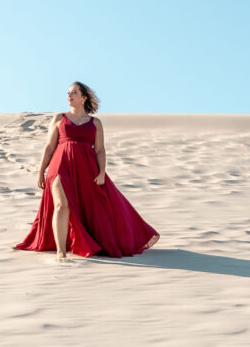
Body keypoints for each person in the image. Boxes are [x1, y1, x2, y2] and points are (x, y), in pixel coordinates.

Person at [15, 82, 159, 259]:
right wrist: (40, 172)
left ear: (83, 97)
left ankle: (88, 242)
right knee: (61, 204)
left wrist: (101, 172)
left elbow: (100, 150)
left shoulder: (95, 123)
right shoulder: (59, 118)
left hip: (86, 169)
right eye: (68, 93)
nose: (69, 96)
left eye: (74, 92)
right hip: (60, 165)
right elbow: (49, 146)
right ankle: (61, 252)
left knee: (96, 208)